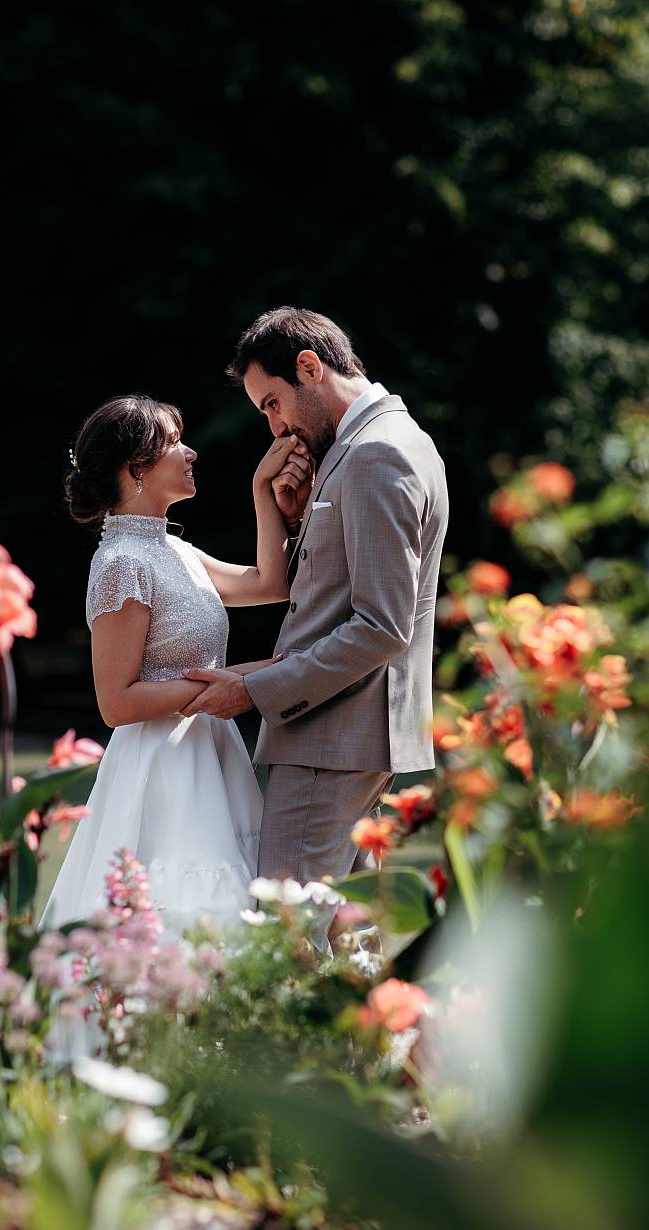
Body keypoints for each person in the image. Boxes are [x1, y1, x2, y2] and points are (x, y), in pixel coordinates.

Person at [181, 307, 449, 951]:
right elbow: (335, 595)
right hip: (350, 735)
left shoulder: (377, 453)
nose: (276, 428)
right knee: (349, 941)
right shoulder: (367, 445)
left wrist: (256, 690)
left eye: (273, 404)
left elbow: (381, 626)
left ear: (310, 367)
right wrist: (297, 518)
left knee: (287, 939)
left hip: (333, 738)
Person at [39, 393, 311, 934]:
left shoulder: (177, 551)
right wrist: (239, 681)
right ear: (137, 468)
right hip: (163, 772)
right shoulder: (121, 564)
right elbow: (116, 703)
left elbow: (271, 583)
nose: (191, 453)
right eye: (174, 443)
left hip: (213, 755)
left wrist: (263, 492)